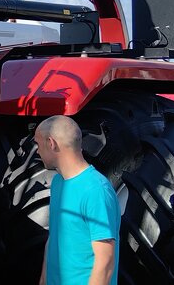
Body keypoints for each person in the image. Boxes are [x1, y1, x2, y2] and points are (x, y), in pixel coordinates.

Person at [35, 115, 119, 285]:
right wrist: (44, 279)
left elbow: (105, 261)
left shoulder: (96, 191)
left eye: (38, 144)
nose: (37, 151)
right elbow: (54, 237)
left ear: (51, 143)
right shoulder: (59, 183)